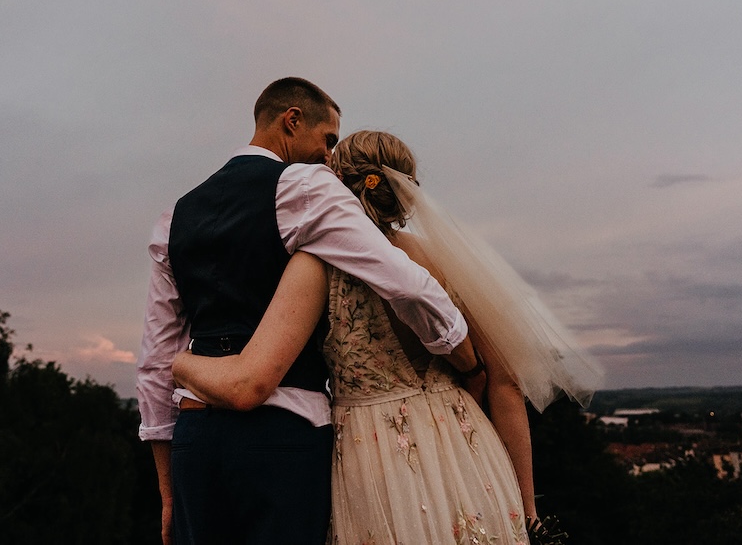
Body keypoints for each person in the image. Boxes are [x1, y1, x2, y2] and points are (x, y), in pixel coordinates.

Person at [172, 130, 603, 544]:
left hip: (368, 454)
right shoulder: (443, 258)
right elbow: (505, 384)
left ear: (336, 184)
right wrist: (528, 511)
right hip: (464, 450)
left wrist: (183, 363)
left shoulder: (313, 263)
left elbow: (259, 369)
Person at [136, 83, 484, 545]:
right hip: (281, 435)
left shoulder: (174, 216)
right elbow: (406, 283)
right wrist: (464, 355)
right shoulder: (305, 187)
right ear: (292, 120)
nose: (329, 155)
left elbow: (156, 361)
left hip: (195, 443)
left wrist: (168, 491)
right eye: (327, 139)